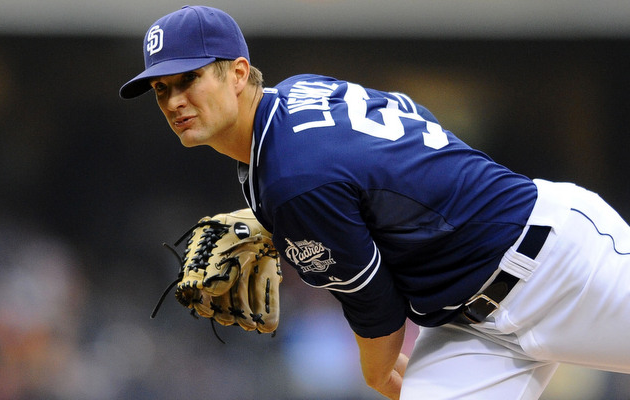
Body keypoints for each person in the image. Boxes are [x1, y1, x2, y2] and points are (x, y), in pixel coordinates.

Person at [119, 6, 630, 399]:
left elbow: (375, 305)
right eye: (160, 89)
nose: (173, 101)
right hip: (471, 329)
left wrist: (379, 370)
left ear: (236, 72)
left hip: (559, 268)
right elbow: (406, 119)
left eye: (189, 79)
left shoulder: (292, 177)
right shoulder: (295, 100)